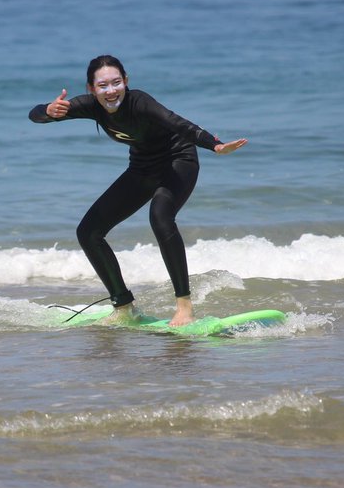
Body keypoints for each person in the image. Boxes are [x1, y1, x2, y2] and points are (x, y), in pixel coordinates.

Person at [29, 55, 247, 327]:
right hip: (143, 167)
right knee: (88, 232)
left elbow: (179, 123)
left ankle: (184, 308)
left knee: (160, 216)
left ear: (126, 81)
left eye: (116, 83)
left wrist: (215, 145)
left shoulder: (140, 102)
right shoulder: (90, 106)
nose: (111, 91)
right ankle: (124, 307)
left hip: (178, 160)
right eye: (103, 85)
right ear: (91, 89)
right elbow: (35, 115)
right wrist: (48, 111)